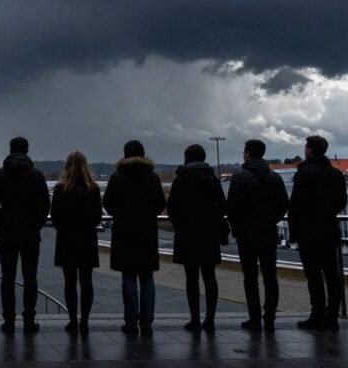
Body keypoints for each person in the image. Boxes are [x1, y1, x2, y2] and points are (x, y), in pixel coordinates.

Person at [0, 136, 51, 334]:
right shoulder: (37, 176)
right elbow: (45, 205)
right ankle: (29, 319)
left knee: (8, 277)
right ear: (27, 150)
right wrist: (37, 225)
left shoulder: (0, 175)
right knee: (30, 277)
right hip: (30, 233)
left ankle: (8, 320)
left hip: (7, 233)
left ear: (10, 149)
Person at [103, 140, 166, 335]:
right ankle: (147, 322)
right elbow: (160, 204)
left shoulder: (117, 177)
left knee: (128, 277)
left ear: (125, 155)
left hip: (124, 232)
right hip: (147, 232)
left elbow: (108, 203)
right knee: (147, 278)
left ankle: (130, 322)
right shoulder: (153, 177)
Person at [226, 139, 289, 332]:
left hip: (246, 235)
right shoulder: (275, 177)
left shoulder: (239, 177)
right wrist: (272, 220)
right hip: (268, 233)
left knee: (250, 278)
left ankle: (254, 318)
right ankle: (269, 317)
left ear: (247, 154)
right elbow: (283, 204)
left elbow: (232, 207)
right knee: (270, 277)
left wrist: (237, 229)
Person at [288, 135, 347, 331]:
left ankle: (317, 314)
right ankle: (333, 316)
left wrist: (294, 231)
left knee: (314, 276)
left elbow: (295, 204)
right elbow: (341, 202)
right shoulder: (336, 174)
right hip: (329, 229)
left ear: (310, 150)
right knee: (332, 275)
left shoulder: (304, 174)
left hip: (308, 231)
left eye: (306, 147)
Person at [166, 144, 227, 333]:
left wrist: (179, 225)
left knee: (191, 278)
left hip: (187, 234)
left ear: (186, 157)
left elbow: (172, 208)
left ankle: (194, 319)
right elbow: (223, 206)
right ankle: (210, 319)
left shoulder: (181, 179)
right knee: (210, 277)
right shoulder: (212, 178)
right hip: (209, 233)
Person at [50, 151, 103, 335]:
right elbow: (98, 216)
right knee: (86, 282)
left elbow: (55, 216)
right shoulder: (93, 189)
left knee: (70, 282)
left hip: (66, 239)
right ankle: (85, 321)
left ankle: (72, 320)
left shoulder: (60, 189)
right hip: (87, 239)